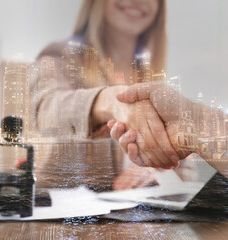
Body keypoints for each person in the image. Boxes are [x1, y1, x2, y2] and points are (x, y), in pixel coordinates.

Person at [31, 0, 193, 191]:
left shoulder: (152, 76)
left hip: (131, 217)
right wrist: (111, 102)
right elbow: (46, 111)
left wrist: (153, 172)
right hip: (63, 215)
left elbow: (186, 169)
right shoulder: (60, 54)